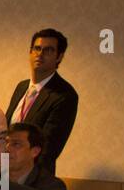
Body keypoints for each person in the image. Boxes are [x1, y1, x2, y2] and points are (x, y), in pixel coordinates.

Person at [5, 29, 77, 176]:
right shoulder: (22, 87)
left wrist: (21, 177)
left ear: (59, 57)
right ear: (30, 52)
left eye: (48, 50)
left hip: (33, 179)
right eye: (37, 48)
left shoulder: (64, 95)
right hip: (4, 175)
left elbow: (48, 148)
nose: (40, 54)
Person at [6, 122, 67, 190]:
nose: (7, 149)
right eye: (5, 143)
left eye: (16, 144)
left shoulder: (52, 187)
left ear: (35, 151)